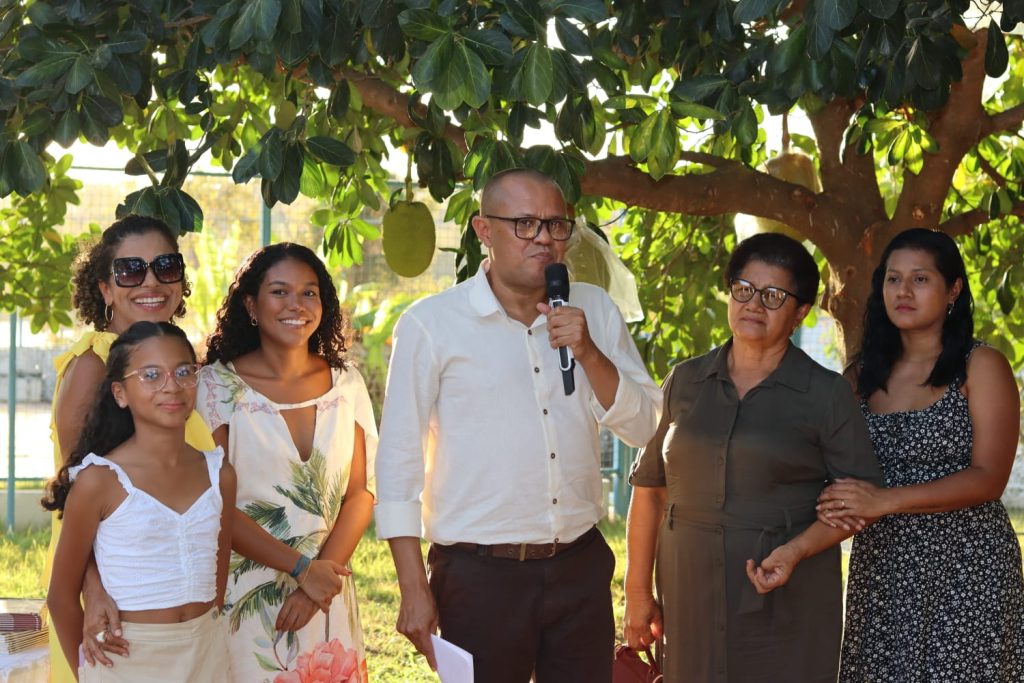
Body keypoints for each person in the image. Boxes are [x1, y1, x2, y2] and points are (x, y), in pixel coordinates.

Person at [375, 168, 661, 683]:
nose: (544, 238)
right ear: (483, 230)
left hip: (580, 566)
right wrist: (412, 586)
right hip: (478, 576)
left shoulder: (595, 309)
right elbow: (398, 464)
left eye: (556, 224)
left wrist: (589, 352)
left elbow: (645, 429)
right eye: (525, 223)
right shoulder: (431, 325)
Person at [624, 233, 884, 683]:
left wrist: (796, 550)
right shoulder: (684, 380)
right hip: (689, 595)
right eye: (743, 289)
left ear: (801, 311)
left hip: (787, 597)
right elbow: (649, 491)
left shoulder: (825, 393)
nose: (753, 305)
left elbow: (861, 503)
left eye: (773, 295)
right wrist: (637, 592)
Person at [816, 228, 1024, 680]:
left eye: (920, 279)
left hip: (968, 564)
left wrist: (884, 500)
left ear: (953, 289)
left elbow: (989, 477)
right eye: (893, 279)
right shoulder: (860, 377)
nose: (903, 291)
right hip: (883, 567)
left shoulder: (981, 366)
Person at [42, 214, 216, 680]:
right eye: (130, 270)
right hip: (111, 596)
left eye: (165, 266)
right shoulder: (94, 364)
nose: (151, 282)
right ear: (105, 288)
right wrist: (93, 588)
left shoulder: (177, 366)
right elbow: (71, 492)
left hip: (180, 602)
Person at [198, 242, 376, 682]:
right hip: (246, 600)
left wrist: (316, 585)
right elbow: (215, 504)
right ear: (251, 305)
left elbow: (360, 494)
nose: (296, 305)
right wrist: (300, 569)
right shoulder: (215, 387)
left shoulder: (347, 383)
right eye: (279, 292)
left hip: (328, 595)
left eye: (309, 293)